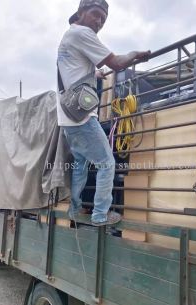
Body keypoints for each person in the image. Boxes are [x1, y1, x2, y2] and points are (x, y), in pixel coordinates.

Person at [57, 0, 150, 226]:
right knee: (107, 163)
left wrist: (94, 74)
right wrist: (135, 54)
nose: (99, 22)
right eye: (95, 14)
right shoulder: (82, 33)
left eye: (103, 19)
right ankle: (100, 215)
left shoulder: (70, 35)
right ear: (81, 12)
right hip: (82, 118)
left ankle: (76, 209)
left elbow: (74, 71)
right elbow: (117, 63)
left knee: (80, 163)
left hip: (67, 116)